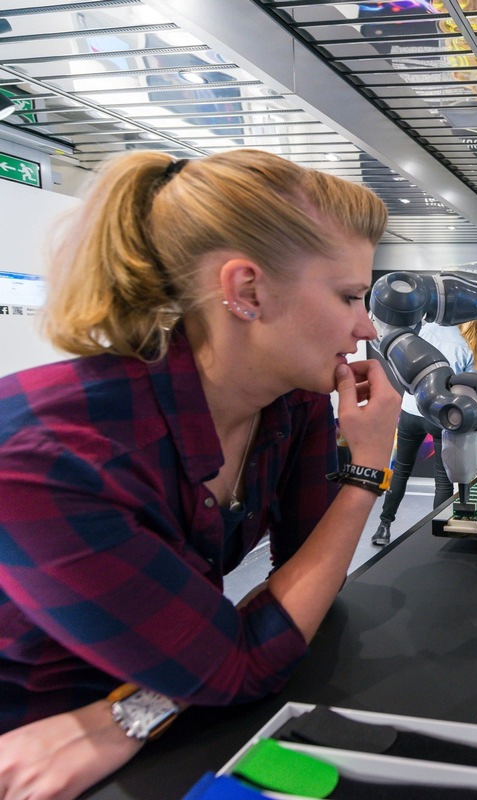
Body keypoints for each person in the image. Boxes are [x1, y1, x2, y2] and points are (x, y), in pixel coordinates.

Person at [0, 150, 399, 798]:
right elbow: (243, 658)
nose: (365, 326)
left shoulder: (290, 401)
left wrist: (135, 712)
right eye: (350, 296)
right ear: (246, 291)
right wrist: (366, 472)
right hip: (33, 750)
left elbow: (304, 583)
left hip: (156, 706)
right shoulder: (45, 459)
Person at [371, 319, 477, 546]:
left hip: (410, 410)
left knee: (401, 471)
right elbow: (470, 389)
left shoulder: (422, 332)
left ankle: (383, 527)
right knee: (443, 480)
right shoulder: (464, 345)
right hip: (440, 416)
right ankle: (436, 535)